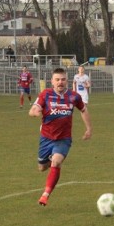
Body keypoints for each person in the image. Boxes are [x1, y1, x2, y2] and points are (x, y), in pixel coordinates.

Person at [29, 68, 92, 206]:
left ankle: (45, 195)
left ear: (67, 81)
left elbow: (83, 110)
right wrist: (36, 112)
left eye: (63, 79)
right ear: (52, 81)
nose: (60, 82)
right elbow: (32, 110)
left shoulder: (74, 96)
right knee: (41, 168)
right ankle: (50, 157)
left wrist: (88, 128)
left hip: (64, 139)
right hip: (46, 138)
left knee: (56, 161)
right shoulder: (45, 94)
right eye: (57, 79)